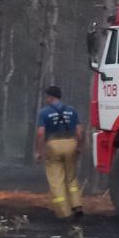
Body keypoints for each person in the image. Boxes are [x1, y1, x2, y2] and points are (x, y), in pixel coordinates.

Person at [34, 86, 84, 221]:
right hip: (71, 143)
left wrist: (39, 151)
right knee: (71, 178)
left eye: (47, 96)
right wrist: (79, 147)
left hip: (54, 145)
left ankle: (64, 212)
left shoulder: (44, 112)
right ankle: (77, 205)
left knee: (56, 180)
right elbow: (80, 131)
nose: (46, 99)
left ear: (50, 97)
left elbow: (40, 133)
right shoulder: (71, 110)